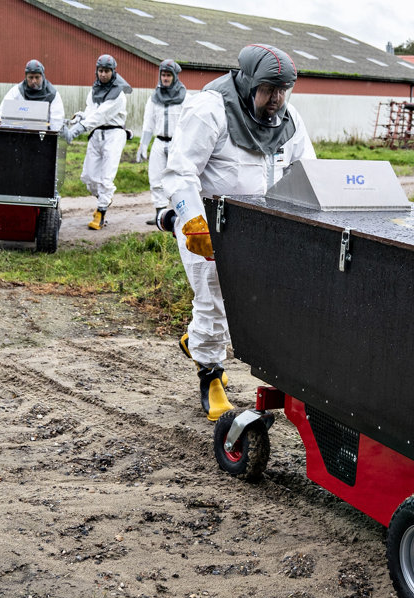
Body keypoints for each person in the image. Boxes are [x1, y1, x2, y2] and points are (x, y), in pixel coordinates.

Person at [156, 44, 315, 421]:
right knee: (212, 297)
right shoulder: (209, 110)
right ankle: (210, 376)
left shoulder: (290, 122)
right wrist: (193, 222)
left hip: (260, 228)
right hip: (209, 223)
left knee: (249, 302)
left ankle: (197, 341)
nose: (276, 99)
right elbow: (179, 172)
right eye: (268, 89)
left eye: (283, 90)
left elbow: (307, 172)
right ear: (248, 82)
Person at [62, 54, 133, 230]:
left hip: (114, 134)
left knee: (105, 177)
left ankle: (101, 212)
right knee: (88, 177)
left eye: (107, 71)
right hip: (96, 134)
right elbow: (92, 112)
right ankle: (105, 199)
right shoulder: (94, 89)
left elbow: (101, 115)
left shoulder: (118, 94)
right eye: (100, 71)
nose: (103, 74)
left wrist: (77, 130)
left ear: (113, 72)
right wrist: (79, 118)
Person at [136, 60, 187, 224]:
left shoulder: (185, 97)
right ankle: (160, 215)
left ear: (175, 76)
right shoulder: (154, 98)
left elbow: (189, 123)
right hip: (159, 142)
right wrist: (143, 145)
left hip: (176, 143)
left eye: (168, 75)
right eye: (163, 75)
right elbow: (148, 122)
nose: (165, 78)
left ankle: (181, 214)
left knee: (177, 179)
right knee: (156, 178)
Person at [0, 59, 65, 129]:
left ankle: (77, 126)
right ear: (26, 77)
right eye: (30, 77)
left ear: (42, 76)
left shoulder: (52, 94)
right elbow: (3, 111)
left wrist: (50, 136)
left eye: (37, 77)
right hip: (23, 132)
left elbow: (57, 120)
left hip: (44, 132)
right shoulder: (17, 91)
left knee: (68, 136)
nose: (34, 81)